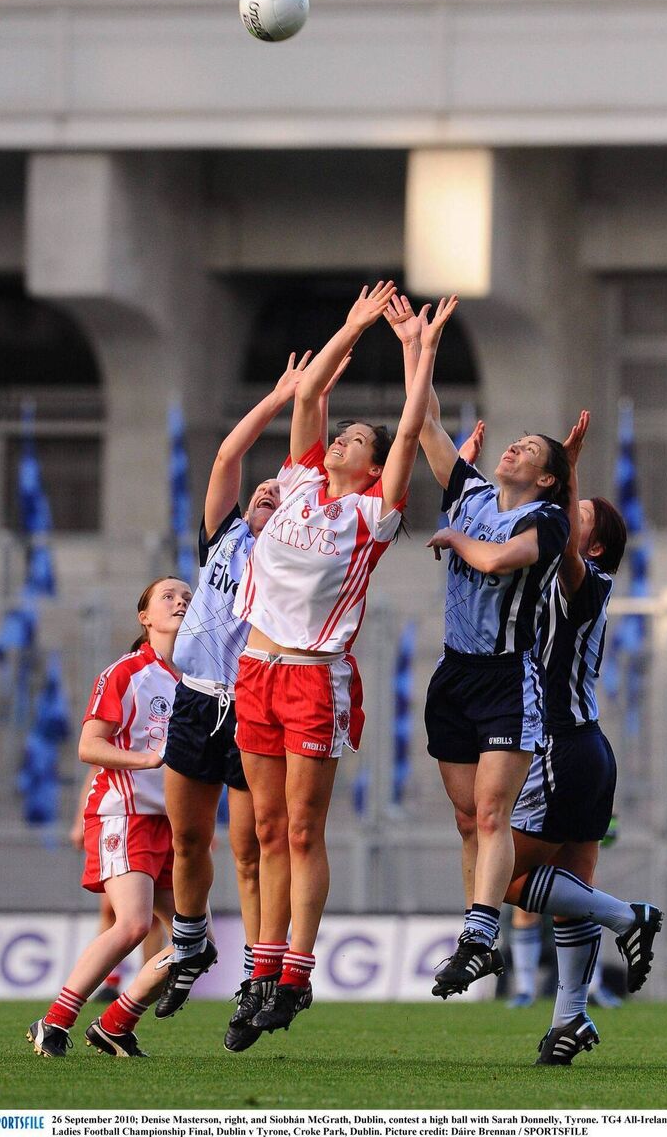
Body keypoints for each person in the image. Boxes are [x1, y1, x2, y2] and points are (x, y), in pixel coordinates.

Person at [231, 280, 455, 1036]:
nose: (342, 440)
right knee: (264, 832)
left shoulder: (371, 515)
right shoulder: (294, 483)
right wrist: (352, 325)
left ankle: (294, 973)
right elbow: (309, 395)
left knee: (300, 830)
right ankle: (259, 972)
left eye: (357, 440)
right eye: (342, 434)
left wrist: (415, 353)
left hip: (312, 677)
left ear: (370, 466)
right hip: (254, 671)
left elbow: (412, 426)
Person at [154, 352, 347, 1051]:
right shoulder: (225, 539)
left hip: (255, 702)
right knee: (186, 838)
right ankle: (191, 938)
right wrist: (276, 397)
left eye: (277, 493)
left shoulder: (292, 555)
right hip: (198, 698)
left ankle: (255, 976)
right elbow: (228, 458)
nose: (266, 493)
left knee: (253, 847)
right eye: (260, 492)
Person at [388, 292, 571, 994]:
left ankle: (478, 935)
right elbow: (424, 422)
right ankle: (482, 939)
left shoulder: (550, 520)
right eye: (514, 441)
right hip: (454, 677)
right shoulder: (467, 490)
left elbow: (496, 562)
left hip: (507, 677)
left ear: (548, 478)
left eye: (532, 448)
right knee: (469, 818)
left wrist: (453, 538)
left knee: (493, 813)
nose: (515, 445)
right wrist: (417, 346)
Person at [507, 411, 661, 1064]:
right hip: (588, 747)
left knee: (505, 880)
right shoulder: (560, 578)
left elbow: (562, 544)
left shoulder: (583, 578)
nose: (571, 517)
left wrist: (566, 470)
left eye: (583, 515)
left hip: (560, 746)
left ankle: (631, 917)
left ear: (593, 545)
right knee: (572, 891)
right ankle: (571, 1019)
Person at [27, 576, 192, 1058]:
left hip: (169, 823)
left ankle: (115, 1024)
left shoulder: (194, 680)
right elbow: (88, 746)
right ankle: (53, 1021)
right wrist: (147, 759)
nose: (180, 602)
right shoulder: (125, 672)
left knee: (192, 943)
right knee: (134, 923)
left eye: (187, 597)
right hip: (125, 813)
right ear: (144, 617)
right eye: (168, 596)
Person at [69, 767, 166, 1002]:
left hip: (161, 818)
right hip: (122, 818)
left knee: (152, 915)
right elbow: (95, 770)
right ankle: (110, 982)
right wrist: (79, 821)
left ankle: (147, 984)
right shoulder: (125, 736)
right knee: (113, 909)